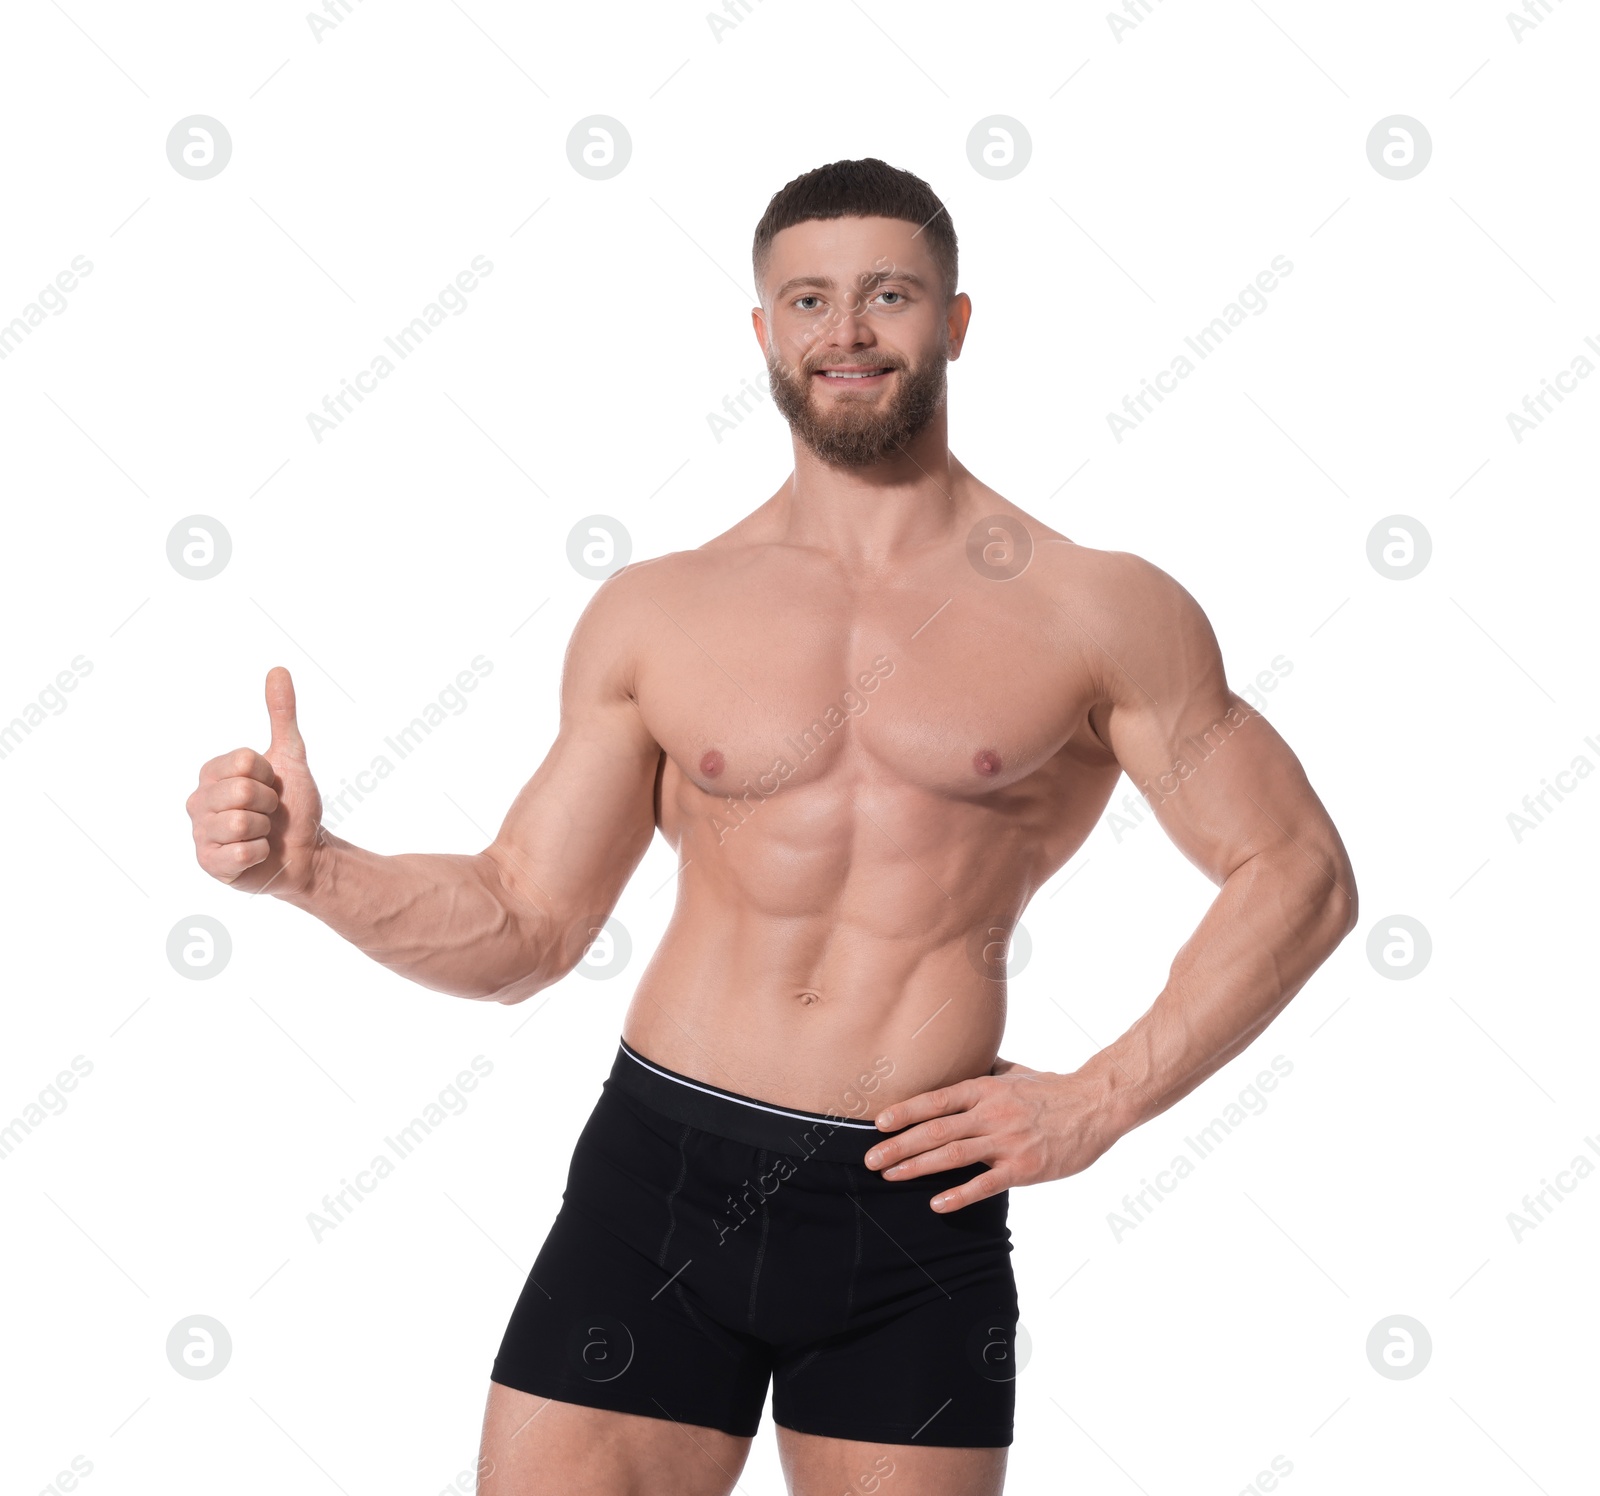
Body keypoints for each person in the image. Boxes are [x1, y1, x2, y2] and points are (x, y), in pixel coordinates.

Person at [185, 158, 1357, 1496]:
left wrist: (1100, 1098)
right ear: (764, 334)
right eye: (808, 298)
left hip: (915, 1209)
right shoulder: (659, 612)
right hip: (656, 1189)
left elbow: (1297, 871)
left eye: (888, 295)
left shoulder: (1099, 610)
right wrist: (312, 871)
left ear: (955, 322)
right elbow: (526, 924)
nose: (845, 331)